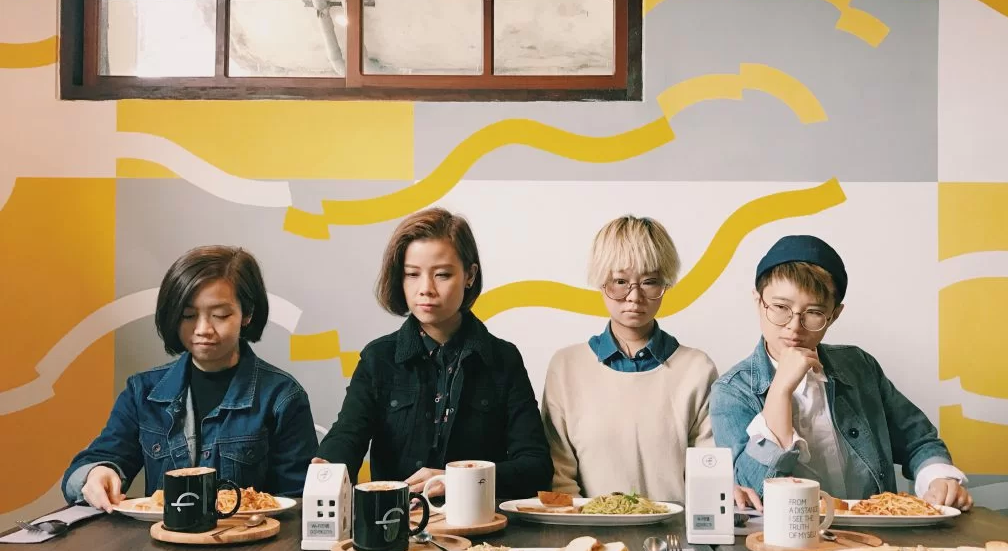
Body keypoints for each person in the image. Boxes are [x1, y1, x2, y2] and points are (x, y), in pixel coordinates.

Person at [710, 235, 972, 510]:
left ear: (834, 315)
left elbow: (918, 440)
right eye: (780, 307)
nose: (794, 326)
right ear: (758, 301)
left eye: (813, 312)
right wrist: (780, 391)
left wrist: (939, 478)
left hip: (874, 529)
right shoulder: (732, 390)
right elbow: (750, 491)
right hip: (787, 533)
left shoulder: (859, 366)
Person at [316, 208, 553, 498]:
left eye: (442, 275)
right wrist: (326, 469)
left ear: (469, 275)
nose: (425, 289)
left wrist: (460, 480)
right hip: (399, 519)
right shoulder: (378, 358)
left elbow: (536, 466)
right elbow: (347, 435)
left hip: (479, 521)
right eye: (412, 274)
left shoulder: (503, 359)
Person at [62, 246, 318, 512]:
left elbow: (299, 501)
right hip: (159, 536)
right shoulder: (142, 391)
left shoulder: (282, 396)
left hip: (249, 537)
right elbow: (92, 464)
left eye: (220, 315)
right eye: (188, 316)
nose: (203, 329)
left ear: (247, 314)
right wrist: (96, 474)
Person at [541, 215, 760, 507]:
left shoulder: (697, 369)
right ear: (601, 281)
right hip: (590, 526)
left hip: (677, 529)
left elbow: (709, 472)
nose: (634, 296)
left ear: (665, 283)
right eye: (620, 282)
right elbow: (560, 476)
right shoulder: (567, 367)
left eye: (650, 282)